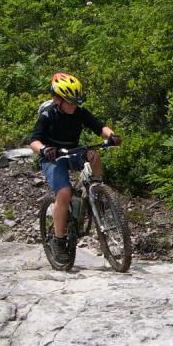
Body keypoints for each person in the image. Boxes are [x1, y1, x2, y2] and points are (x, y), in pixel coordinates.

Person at [30, 72, 121, 265]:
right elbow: (34, 140)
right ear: (57, 99)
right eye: (69, 101)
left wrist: (112, 136)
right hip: (53, 158)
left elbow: (99, 126)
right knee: (64, 193)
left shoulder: (79, 112)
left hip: (72, 152)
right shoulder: (48, 115)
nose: (74, 105)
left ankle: (97, 191)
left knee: (94, 155)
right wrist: (44, 149)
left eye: (75, 101)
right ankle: (58, 240)